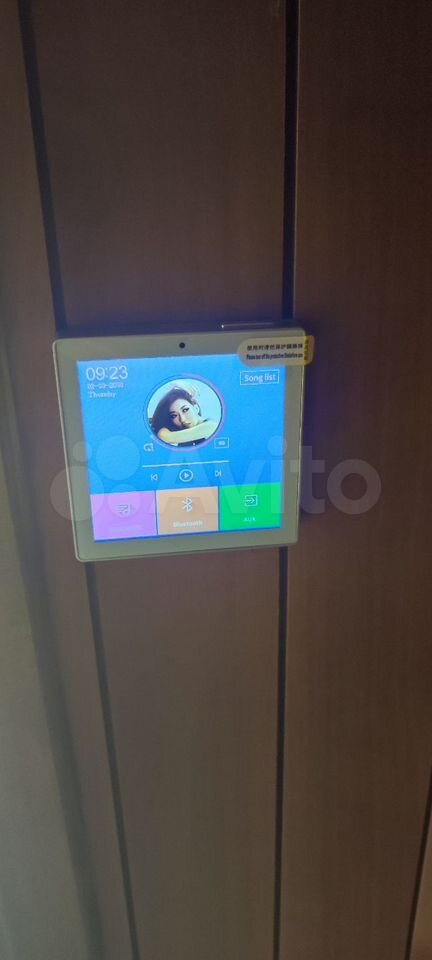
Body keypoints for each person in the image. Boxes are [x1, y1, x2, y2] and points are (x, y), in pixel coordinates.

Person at [149, 385, 218, 446]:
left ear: (196, 408)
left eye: (185, 410)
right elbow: (163, 435)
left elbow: (211, 427)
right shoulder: (171, 430)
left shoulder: (211, 426)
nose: (182, 419)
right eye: (174, 415)